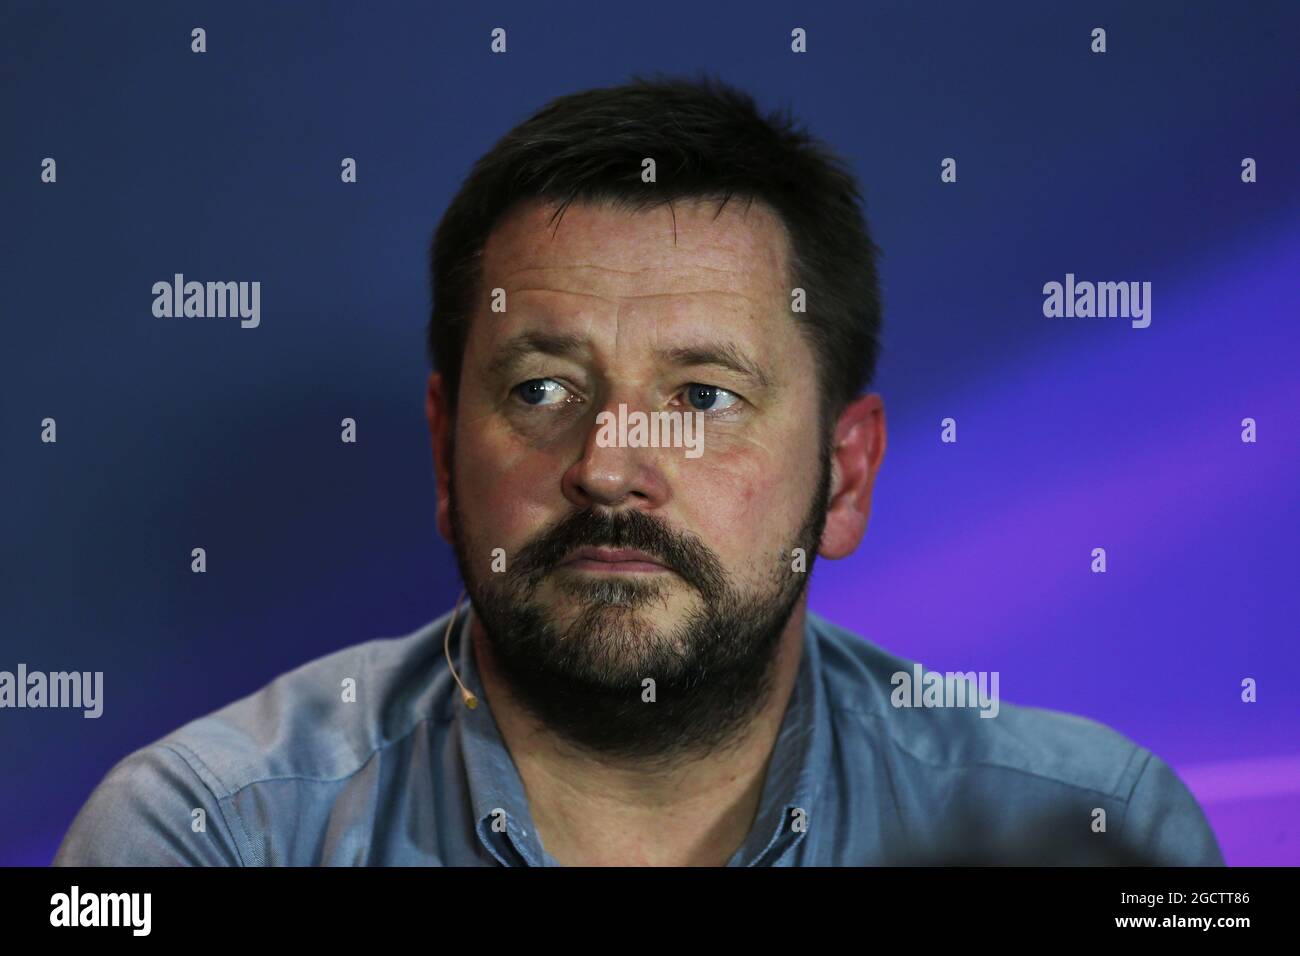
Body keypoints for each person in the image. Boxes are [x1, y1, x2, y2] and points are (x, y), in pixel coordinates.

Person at [54, 74, 1222, 867]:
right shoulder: (207, 835)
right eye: (540, 390)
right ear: (441, 454)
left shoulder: (1089, 829)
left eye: (703, 397)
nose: (610, 467)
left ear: (846, 475)